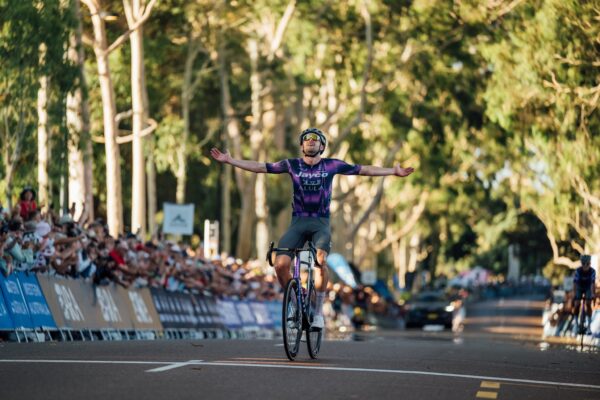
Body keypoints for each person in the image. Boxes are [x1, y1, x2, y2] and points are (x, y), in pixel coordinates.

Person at [210, 127, 414, 328]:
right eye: (306, 139)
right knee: (280, 264)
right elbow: (261, 166)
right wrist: (230, 160)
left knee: (321, 259)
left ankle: (317, 311)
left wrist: (392, 172)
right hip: (297, 222)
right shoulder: (292, 165)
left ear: (322, 145)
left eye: (315, 139)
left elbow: (364, 170)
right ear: (301, 145)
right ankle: (295, 300)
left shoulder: (332, 165)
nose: (310, 141)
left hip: (320, 223)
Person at [573, 254, 596, 334]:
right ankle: (576, 324)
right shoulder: (578, 271)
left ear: (590, 264)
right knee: (577, 304)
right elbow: (575, 284)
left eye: (587, 264)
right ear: (581, 263)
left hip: (588, 287)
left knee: (588, 304)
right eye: (583, 264)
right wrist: (575, 294)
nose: (585, 266)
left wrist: (593, 294)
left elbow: (593, 284)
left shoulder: (592, 271)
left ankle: (589, 326)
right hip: (579, 287)